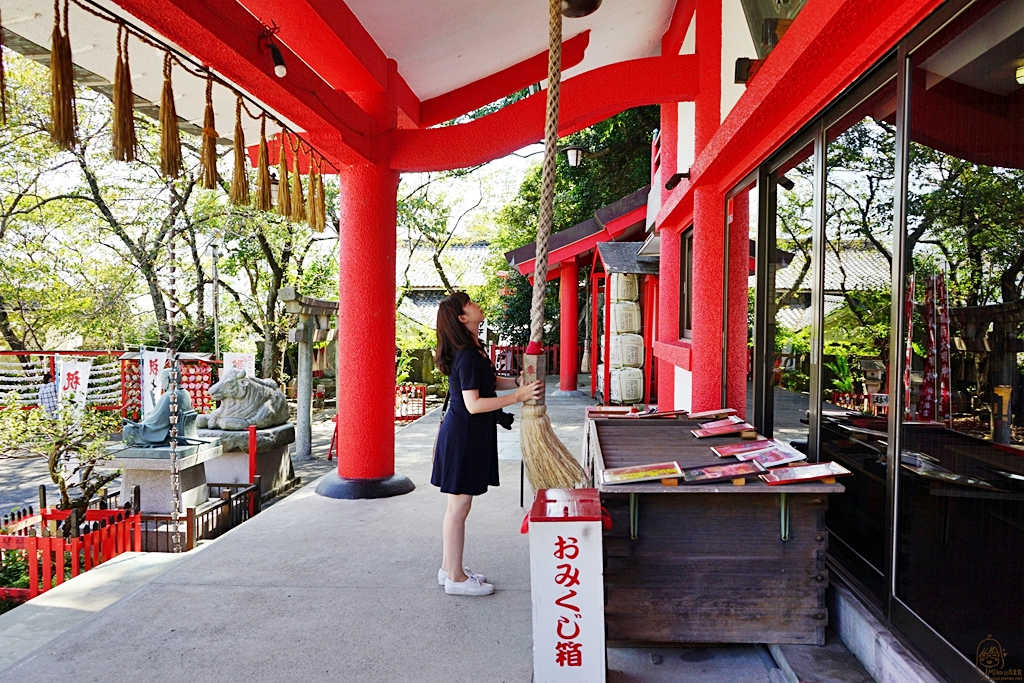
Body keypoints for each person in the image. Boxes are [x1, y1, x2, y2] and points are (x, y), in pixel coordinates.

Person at [432, 292, 543, 596]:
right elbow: (474, 403)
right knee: (459, 506)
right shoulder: (467, 353)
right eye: (468, 303)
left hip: (468, 433)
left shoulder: (472, 347)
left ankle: (448, 568)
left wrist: (516, 384)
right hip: (464, 434)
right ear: (462, 318)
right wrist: (518, 397)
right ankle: (455, 578)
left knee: (456, 506)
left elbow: (488, 383)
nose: (475, 304)